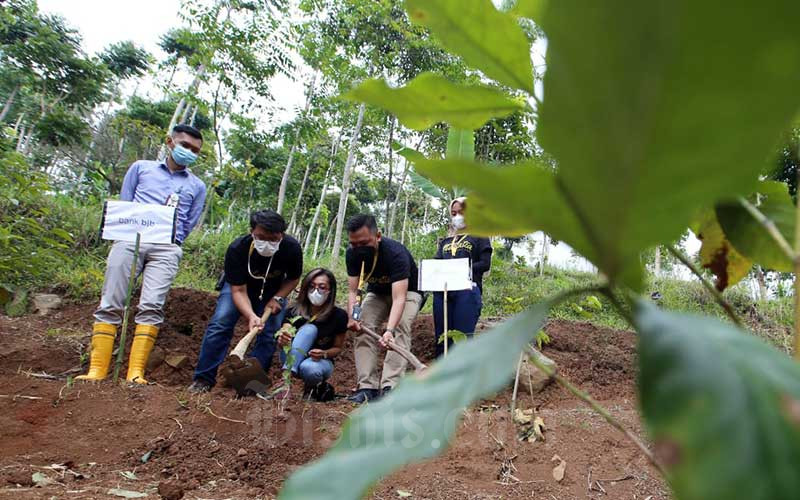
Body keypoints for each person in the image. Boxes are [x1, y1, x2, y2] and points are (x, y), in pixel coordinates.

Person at [78, 124, 207, 384]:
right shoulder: (141, 168)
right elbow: (126, 201)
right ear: (170, 142)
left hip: (166, 247)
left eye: (195, 150)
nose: (189, 152)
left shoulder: (197, 185)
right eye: (185, 146)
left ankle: (135, 372)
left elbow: (191, 220)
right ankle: (97, 370)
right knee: (112, 301)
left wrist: (175, 241)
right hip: (129, 239)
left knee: (152, 306)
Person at [188, 210, 302, 393]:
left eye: (273, 239)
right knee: (221, 322)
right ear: (252, 232)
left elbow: (293, 279)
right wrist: (250, 315)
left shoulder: (291, 248)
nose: (268, 243)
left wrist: (277, 298)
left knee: (270, 331)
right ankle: (203, 379)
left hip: (273, 290)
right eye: (261, 237)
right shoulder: (237, 249)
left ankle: (251, 384)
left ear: (282, 235)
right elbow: (238, 290)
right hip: (240, 287)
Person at [345, 214, 423, 403]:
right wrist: (353, 316)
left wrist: (389, 330)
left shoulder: (395, 253)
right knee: (363, 326)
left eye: (363, 243)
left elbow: (399, 298)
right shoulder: (352, 254)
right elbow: (354, 291)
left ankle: (391, 386)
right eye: (354, 244)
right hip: (377, 293)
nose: (358, 249)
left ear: (378, 236)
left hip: (408, 292)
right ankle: (367, 387)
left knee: (401, 326)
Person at [275, 268, 348, 401]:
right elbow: (286, 329)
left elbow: (337, 348)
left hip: (318, 361)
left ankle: (311, 389)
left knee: (310, 369)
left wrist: (324, 354)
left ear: (330, 290)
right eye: (312, 286)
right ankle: (286, 379)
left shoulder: (339, 316)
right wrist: (283, 337)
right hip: (291, 357)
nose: (316, 291)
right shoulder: (293, 310)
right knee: (309, 329)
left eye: (322, 287)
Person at [433, 197, 492, 356]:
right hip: (443, 292)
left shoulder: (480, 237)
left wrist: (462, 270)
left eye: (461, 212)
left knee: (462, 338)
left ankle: (462, 377)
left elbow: (485, 264)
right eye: (453, 213)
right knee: (442, 336)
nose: (457, 216)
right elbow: (437, 262)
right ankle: (441, 373)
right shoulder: (446, 241)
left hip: (467, 291)